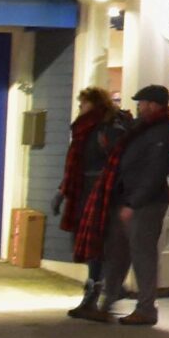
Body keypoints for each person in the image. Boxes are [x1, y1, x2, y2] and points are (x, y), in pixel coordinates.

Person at [99, 84, 169, 327]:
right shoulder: (143, 128)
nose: (139, 107)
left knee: (142, 254)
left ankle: (146, 308)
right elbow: (128, 158)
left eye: (142, 103)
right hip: (128, 198)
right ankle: (108, 300)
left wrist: (134, 202)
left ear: (153, 105)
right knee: (117, 252)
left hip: (146, 203)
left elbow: (154, 172)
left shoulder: (161, 132)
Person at [53, 86, 125, 320]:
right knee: (87, 246)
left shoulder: (105, 128)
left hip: (101, 193)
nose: (80, 107)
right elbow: (74, 166)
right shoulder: (84, 129)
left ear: (94, 104)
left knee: (98, 247)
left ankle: (97, 296)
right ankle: (93, 296)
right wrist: (62, 192)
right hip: (84, 192)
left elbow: (115, 161)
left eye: (83, 103)